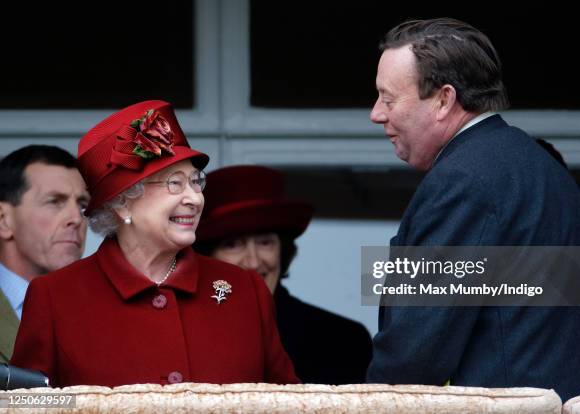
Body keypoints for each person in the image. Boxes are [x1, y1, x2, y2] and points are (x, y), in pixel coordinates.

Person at [366, 18, 580, 401]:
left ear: (444, 99)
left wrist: (369, 405)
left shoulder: (463, 180)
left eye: (389, 98)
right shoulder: (536, 165)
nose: (376, 113)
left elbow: (416, 352)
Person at [11, 101, 298, 387]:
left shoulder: (246, 291)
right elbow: (25, 404)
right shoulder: (55, 297)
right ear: (123, 204)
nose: (195, 198)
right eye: (174, 183)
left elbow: (291, 401)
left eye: (196, 182)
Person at [194, 165, 373, 384]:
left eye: (265, 242)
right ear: (208, 256)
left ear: (283, 250)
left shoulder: (341, 339)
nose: (253, 261)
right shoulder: (184, 332)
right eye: (233, 245)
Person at [0, 145, 89, 364]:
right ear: (3, 220)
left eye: (83, 205)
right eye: (54, 202)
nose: (76, 218)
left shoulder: (100, 306)